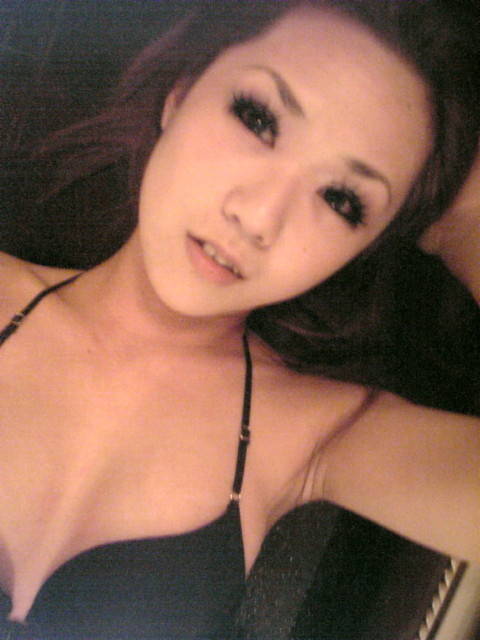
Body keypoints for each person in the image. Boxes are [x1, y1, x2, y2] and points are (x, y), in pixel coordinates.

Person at [0, 0, 479, 638]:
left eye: (342, 200)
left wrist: (461, 220)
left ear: (365, 247)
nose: (257, 217)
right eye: (258, 119)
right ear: (181, 94)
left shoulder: (321, 433)